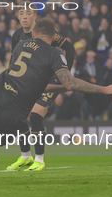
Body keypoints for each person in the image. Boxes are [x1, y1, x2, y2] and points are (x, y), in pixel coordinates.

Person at [0, 18, 112, 168]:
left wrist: (62, 87)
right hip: (14, 110)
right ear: (54, 37)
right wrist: (104, 89)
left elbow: (30, 81)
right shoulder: (54, 53)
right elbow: (69, 83)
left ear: (33, 34)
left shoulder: (22, 45)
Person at [6, 9, 76, 171]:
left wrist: (66, 75)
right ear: (18, 17)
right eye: (21, 13)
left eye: (28, 13)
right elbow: (14, 58)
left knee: (36, 116)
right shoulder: (17, 35)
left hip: (49, 80)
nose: (24, 17)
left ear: (35, 17)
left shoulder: (47, 34)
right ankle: (25, 156)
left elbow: (69, 49)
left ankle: (40, 160)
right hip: (29, 81)